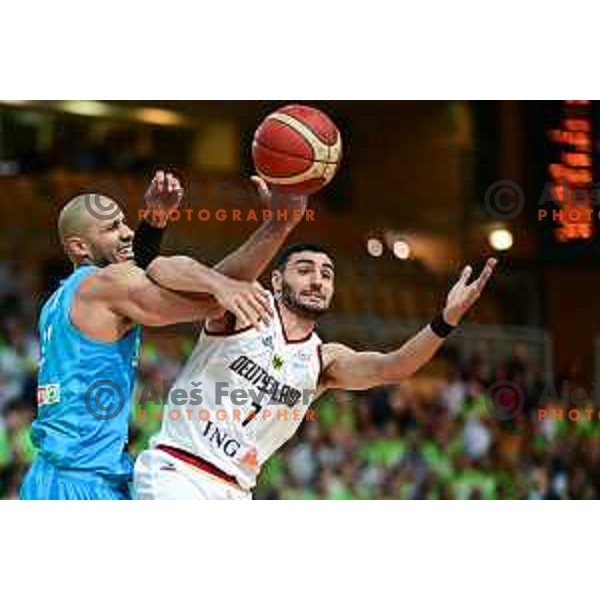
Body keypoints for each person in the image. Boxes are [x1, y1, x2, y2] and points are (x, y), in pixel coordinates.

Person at [133, 182, 498, 499]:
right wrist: (219, 283)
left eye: (326, 274)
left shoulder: (324, 360)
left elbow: (394, 367)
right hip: (178, 471)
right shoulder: (246, 304)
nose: (317, 280)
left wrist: (446, 319)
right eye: (304, 270)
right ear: (277, 281)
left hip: (236, 491)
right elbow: (158, 268)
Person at [20, 171, 275, 500]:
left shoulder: (62, 297)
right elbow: (212, 302)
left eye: (125, 223)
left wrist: (155, 223)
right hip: (80, 482)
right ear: (79, 246)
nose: (126, 232)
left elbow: (138, 273)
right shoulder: (102, 285)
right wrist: (275, 228)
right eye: (112, 228)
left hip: (59, 474)